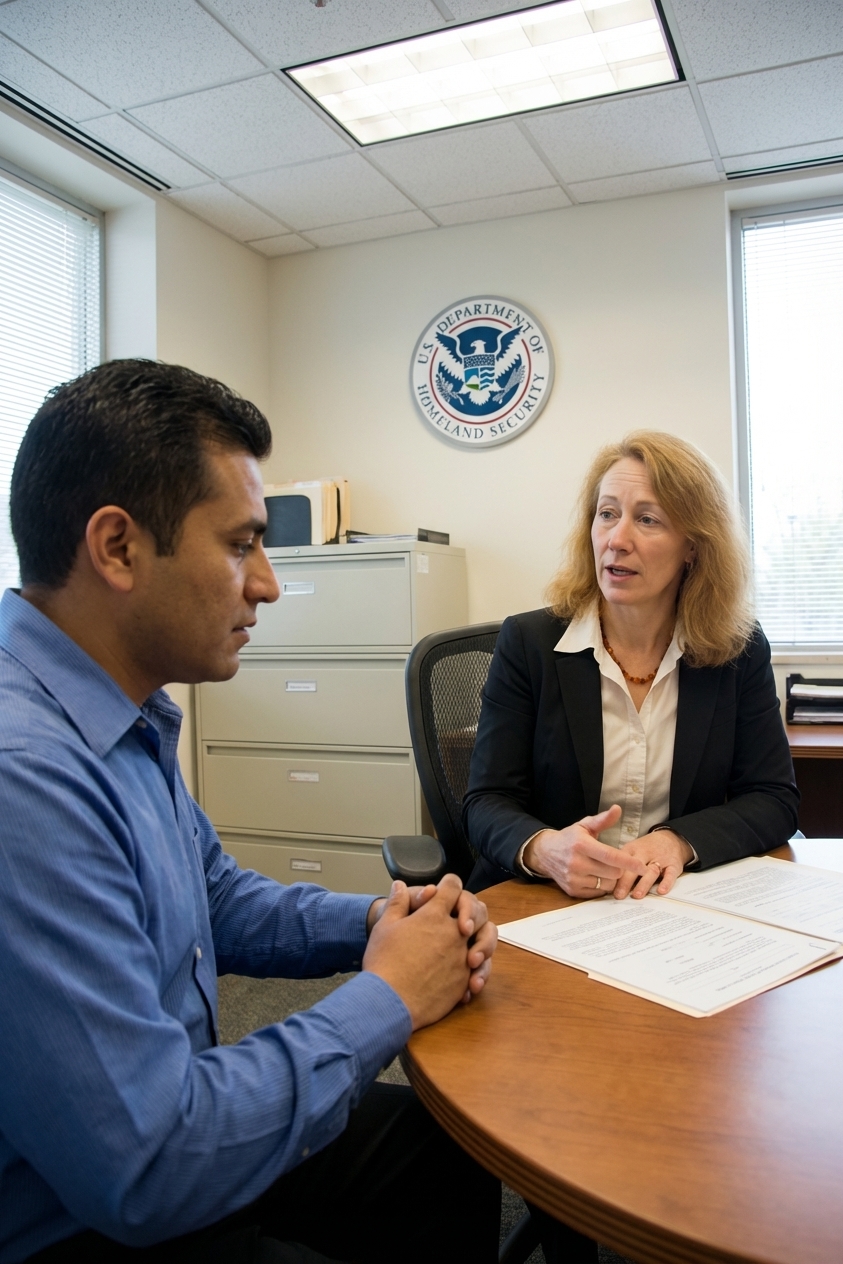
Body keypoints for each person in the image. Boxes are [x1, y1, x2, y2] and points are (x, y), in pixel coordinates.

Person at [0, 359, 500, 1264]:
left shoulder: (123, 711)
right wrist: (389, 996)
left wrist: (388, 923)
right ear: (116, 547)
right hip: (86, 1221)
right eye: (240, 545)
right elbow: (149, 1165)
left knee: (440, 1150)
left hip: (154, 1141)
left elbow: (216, 901)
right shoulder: (23, 779)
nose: (267, 584)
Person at [464, 428, 798, 898]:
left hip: (670, 902)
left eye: (648, 520)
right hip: (544, 900)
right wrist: (545, 849)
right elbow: (485, 801)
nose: (617, 540)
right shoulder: (529, 643)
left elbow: (773, 799)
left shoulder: (736, 650)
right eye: (607, 515)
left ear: (694, 547)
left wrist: (677, 842)